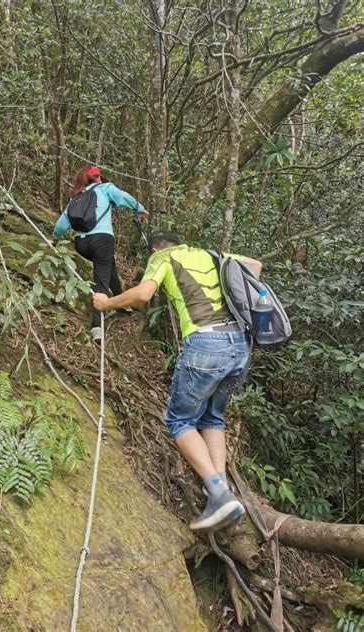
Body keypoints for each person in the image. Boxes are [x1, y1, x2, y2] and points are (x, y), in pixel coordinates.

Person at [93, 231, 263, 532]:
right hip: (240, 346)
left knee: (180, 420)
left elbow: (143, 295)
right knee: (212, 417)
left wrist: (107, 304)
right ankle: (222, 492)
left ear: (156, 248)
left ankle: (219, 494)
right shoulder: (213, 255)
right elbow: (255, 265)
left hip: (206, 344)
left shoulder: (163, 256)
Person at [53, 165, 148, 342]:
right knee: (101, 282)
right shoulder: (105, 188)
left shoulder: (77, 196)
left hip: (81, 243)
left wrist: (55, 238)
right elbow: (122, 196)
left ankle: (122, 302)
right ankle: (97, 326)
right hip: (102, 240)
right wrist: (140, 209)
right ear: (97, 178)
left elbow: (62, 222)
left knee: (107, 264)